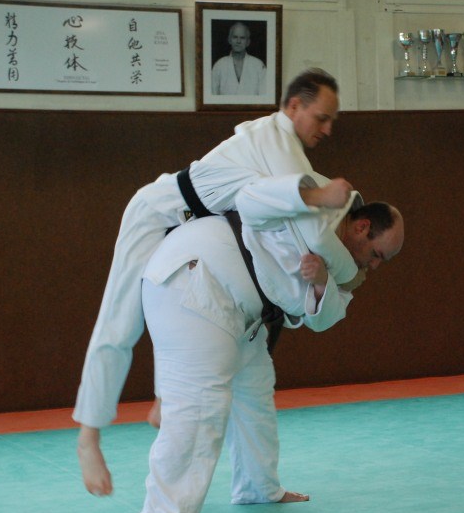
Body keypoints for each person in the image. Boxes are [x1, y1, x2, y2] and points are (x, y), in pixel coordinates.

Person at [85, 176, 403, 513]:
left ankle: (257, 486)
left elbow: (324, 317)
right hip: (196, 282)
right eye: (377, 254)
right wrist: (317, 195)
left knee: (254, 391)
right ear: (362, 227)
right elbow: (255, 199)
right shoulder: (316, 207)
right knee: (201, 405)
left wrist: (320, 282)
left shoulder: (344, 266)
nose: (374, 266)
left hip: (238, 311)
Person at [74, 68, 352, 448]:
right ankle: (88, 435)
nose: (327, 129)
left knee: (171, 303)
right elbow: (314, 230)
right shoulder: (276, 140)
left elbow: (299, 204)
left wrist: (326, 200)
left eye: (332, 120)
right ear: (293, 107)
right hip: (158, 212)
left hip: (192, 228)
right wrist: (348, 270)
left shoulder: (287, 152)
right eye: (321, 118)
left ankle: (162, 400)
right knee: (122, 315)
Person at [211, 22, 267, 96]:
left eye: (242, 38)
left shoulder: (259, 66)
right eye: (235, 37)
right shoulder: (219, 65)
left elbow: (265, 97)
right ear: (229, 40)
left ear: (248, 42)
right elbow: (212, 96)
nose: (238, 41)